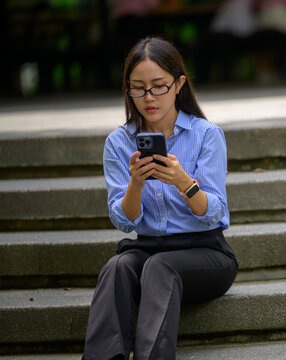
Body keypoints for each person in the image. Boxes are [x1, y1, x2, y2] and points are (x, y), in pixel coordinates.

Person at [82, 36, 238, 360]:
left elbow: (215, 213)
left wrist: (184, 182)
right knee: (117, 267)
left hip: (205, 252)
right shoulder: (118, 142)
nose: (148, 97)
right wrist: (135, 184)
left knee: (160, 266)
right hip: (149, 249)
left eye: (158, 86)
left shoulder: (207, 135)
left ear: (179, 83)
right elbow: (123, 221)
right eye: (137, 88)